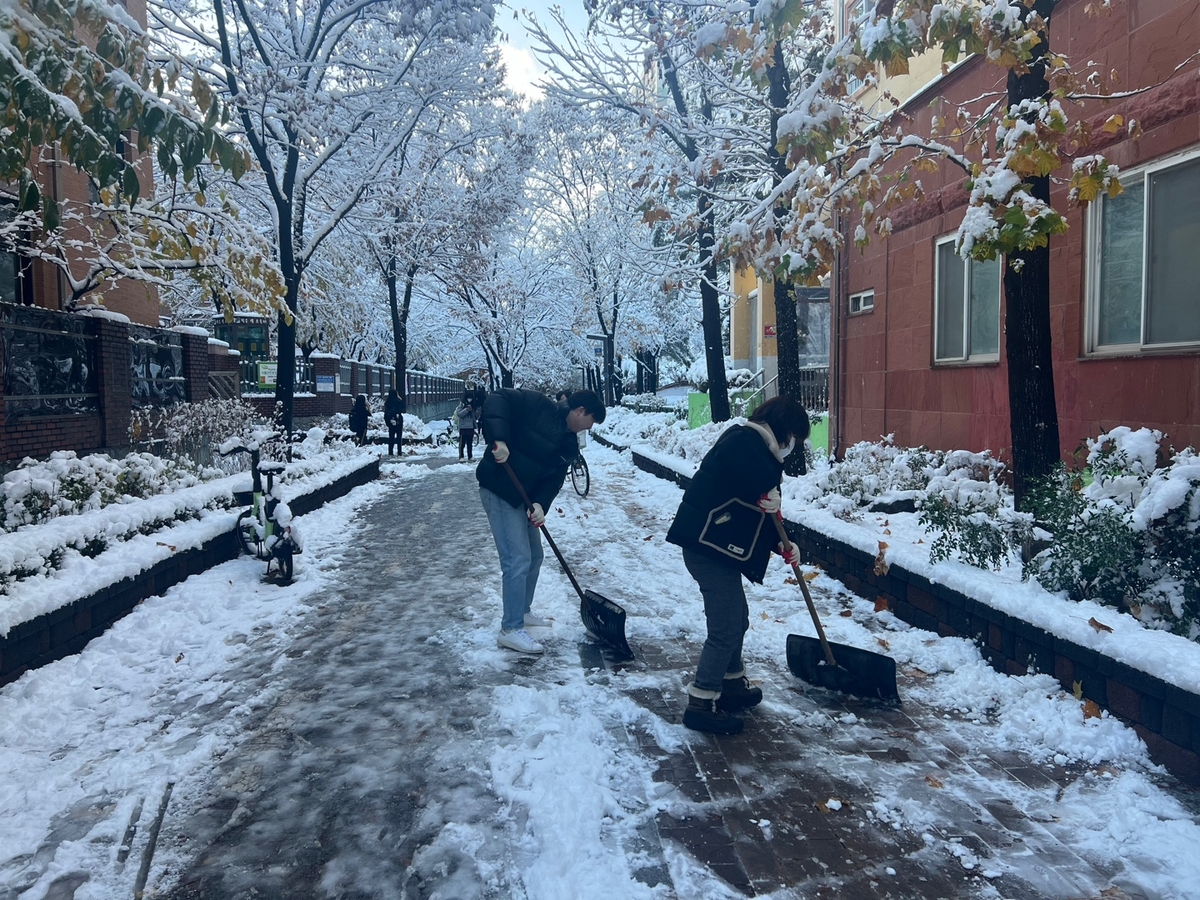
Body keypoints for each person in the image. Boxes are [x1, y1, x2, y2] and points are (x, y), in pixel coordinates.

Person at [665, 396, 811, 735]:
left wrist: (782, 544)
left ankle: (730, 683)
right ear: (784, 431)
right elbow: (743, 469)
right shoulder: (744, 440)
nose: (793, 449)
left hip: (716, 547)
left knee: (737, 618)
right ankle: (701, 701)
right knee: (726, 625)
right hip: (706, 549)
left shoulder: (758, 450)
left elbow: (760, 512)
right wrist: (764, 488)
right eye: (795, 441)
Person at [477, 388, 606, 654]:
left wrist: (540, 504)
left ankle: (521, 611)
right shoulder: (538, 406)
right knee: (517, 558)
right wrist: (499, 440)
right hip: (501, 488)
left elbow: (554, 479)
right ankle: (510, 629)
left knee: (534, 556)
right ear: (580, 410)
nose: (589, 428)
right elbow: (497, 399)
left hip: (525, 498)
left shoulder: (569, 443)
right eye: (591, 421)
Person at [385, 388, 406, 455]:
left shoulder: (388, 402)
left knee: (391, 436)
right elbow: (403, 408)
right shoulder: (398, 402)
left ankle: (390, 451)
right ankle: (399, 451)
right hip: (398, 420)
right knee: (399, 437)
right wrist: (400, 398)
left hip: (391, 420)